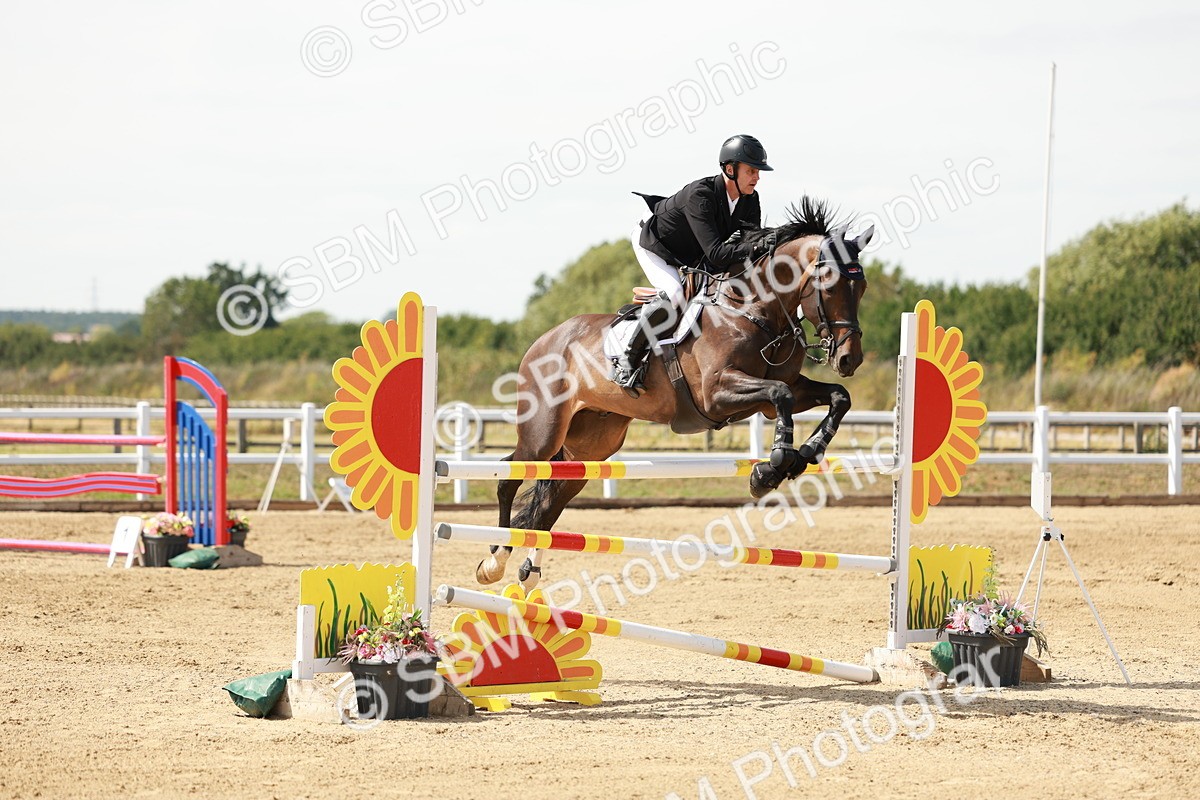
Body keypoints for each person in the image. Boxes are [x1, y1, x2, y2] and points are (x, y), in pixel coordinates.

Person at [612, 134, 775, 394]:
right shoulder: (701, 195)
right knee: (675, 292)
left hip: (692, 250)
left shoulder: (749, 199)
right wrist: (757, 246)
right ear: (730, 169)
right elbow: (717, 254)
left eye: (758, 172)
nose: (757, 177)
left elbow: (749, 244)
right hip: (656, 243)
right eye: (751, 171)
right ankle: (627, 359)